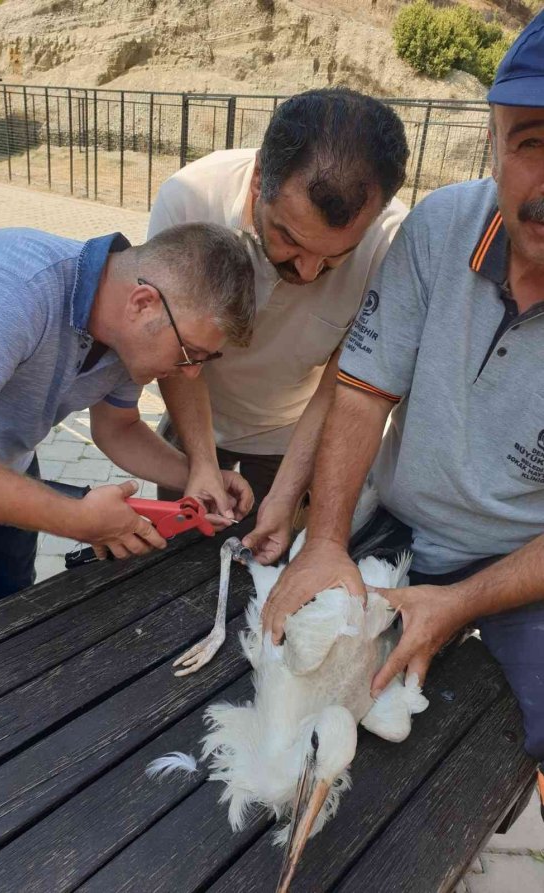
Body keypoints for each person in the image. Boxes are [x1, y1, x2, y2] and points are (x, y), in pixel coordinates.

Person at [262, 12, 544, 787]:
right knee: (288, 665)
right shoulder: (443, 225)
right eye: (532, 143)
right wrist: (322, 536)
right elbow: (361, 390)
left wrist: (463, 600)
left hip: (524, 559)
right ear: (492, 140)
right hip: (403, 516)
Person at [0, 222, 256, 646]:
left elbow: (119, 429)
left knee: (13, 604)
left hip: (6, 456)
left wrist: (196, 476)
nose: (192, 373)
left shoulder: (125, 332)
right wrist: (77, 519)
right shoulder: (10, 289)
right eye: (189, 355)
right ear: (143, 303)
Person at [148, 88, 409, 563]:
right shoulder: (191, 198)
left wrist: (288, 494)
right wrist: (202, 461)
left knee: (274, 563)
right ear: (258, 180)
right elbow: (172, 350)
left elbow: (343, 381)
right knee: (169, 559)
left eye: (336, 255)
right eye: (288, 238)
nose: (308, 272)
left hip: (294, 436)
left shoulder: (392, 241)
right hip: (192, 420)